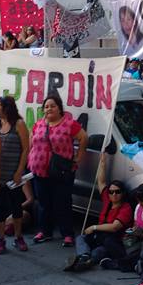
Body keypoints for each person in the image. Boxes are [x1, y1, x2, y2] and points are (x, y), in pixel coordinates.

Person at [27, 94, 87, 247]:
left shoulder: (69, 123)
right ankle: (44, 231)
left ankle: (67, 234)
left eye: (53, 106)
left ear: (59, 108)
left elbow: (83, 138)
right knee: (43, 203)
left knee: (63, 203)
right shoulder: (38, 124)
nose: (49, 109)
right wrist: (30, 158)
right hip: (40, 171)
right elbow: (31, 142)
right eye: (46, 107)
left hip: (61, 171)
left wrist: (79, 157)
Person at [67, 152, 131, 270]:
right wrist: (102, 163)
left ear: (123, 193)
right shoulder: (107, 199)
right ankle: (84, 258)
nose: (114, 194)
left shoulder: (125, 208)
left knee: (99, 251)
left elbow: (114, 227)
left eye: (117, 192)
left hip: (111, 240)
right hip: (99, 236)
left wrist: (94, 227)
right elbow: (101, 182)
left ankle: (84, 261)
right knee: (80, 238)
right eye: (111, 192)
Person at [0, 96, 30, 253]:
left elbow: (26, 148)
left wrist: (19, 171)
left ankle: (18, 237)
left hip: (14, 174)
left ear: (6, 107)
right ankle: (0, 238)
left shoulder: (18, 124)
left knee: (16, 207)